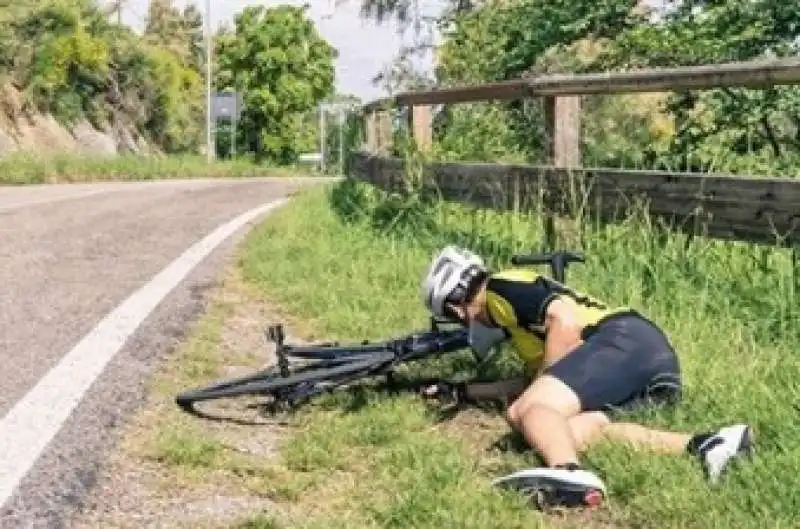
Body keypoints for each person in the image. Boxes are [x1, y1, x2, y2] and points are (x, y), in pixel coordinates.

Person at [420, 245, 754, 509]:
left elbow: (564, 321)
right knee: (573, 431)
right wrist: (465, 391)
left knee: (525, 411)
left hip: (622, 338)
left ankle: (569, 473)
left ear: (457, 306)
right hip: (648, 359)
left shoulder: (500, 288)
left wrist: (534, 396)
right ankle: (708, 444)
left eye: (458, 318)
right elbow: (536, 383)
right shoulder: (517, 324)